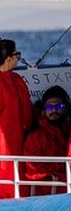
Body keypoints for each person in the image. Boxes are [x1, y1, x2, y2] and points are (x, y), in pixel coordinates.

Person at [22, 85, 71, 196]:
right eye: (49, 108)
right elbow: (34, 170)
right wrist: (61, 165)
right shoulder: (35, 138)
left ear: (66, 108)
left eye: (58, 107)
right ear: (43, 111)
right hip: (47, 194)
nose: (54, 111)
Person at [0, 40, 34, 198]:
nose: (18, 58)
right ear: (8, 58)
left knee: (20, 179)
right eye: (17, 55)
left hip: (21, 142)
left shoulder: (17, 79)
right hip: (5, 144)